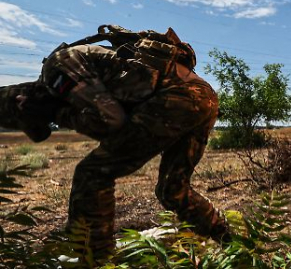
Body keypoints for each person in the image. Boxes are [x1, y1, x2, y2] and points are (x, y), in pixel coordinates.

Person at [0, 26, 231, 255]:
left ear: (22, 101)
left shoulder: (57, 68)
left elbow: (111, 121)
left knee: (93, 173)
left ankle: (92, 258)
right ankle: (230, 238)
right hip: (202, 95)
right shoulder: (68, 81)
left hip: (177, 97)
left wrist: (63, 116)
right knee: (172, 189)